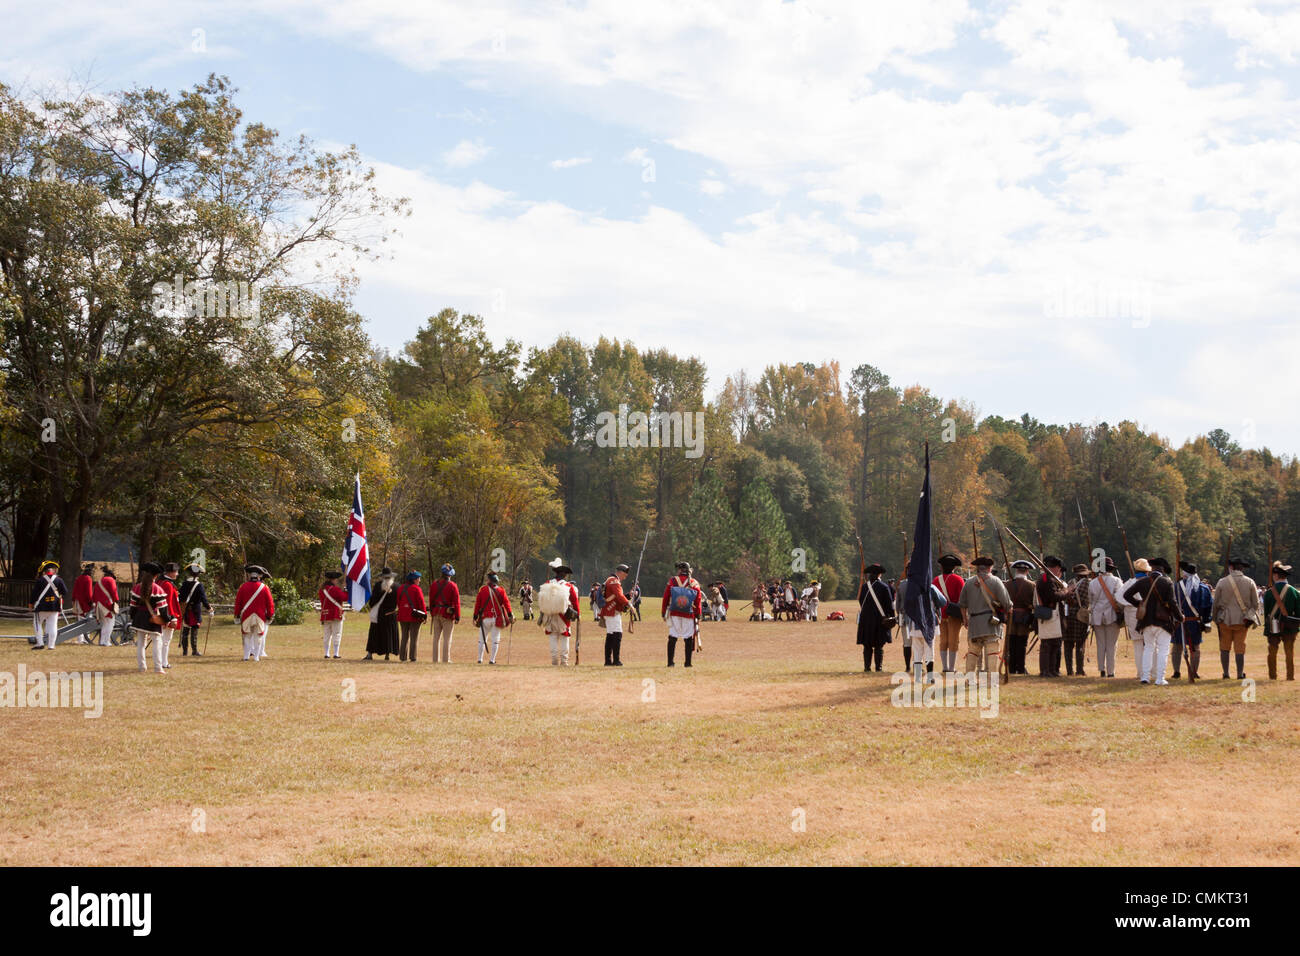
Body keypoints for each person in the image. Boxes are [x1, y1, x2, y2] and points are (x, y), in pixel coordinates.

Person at [1122, 556, 1180, 686]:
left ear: (1152, 568)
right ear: (1161, 569)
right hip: (1163, 621)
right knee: (1163, 650)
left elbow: (1126, 595)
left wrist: (1139, 604)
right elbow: (1172, 602)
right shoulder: (1166, 582)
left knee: (1148, 648)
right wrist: (1180, 616)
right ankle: (1160, 678)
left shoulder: (1143, 581)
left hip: (1146, 620)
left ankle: (1145, 677)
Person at [1210, 558, 1261, 680]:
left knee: (1224, 648)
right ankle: (1239, 674)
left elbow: (1216, 603)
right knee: (1240, 648)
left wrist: (1215, 618)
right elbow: (1256, 604)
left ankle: (1226, 674)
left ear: (1231, 567)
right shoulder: (1250, 582)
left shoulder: (1222, 582)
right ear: (1242, 568)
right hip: (1243, 620)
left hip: (1224, 620)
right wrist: (1250, 616)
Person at [959, 556, 1012, 673]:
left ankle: (970, 679)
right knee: (992, 652)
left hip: (974, 624)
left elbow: (962, 604)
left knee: (973, 653)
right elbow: (1007, 603)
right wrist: (1009, 608)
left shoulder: (968, 583)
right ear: (989, 568)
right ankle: (991, 681)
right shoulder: (996, 581)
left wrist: (965, 619)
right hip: (991, 623)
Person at [896, 562, 943, 682]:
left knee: (917, 651)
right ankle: (930, 677)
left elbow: (900, 605)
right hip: (928, 622)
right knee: (929, 651)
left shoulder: (906, 586)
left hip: (913, 622)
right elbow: (942, 602)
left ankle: (917, 678)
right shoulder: (931, 587)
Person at [1171, 561, 1212, 680]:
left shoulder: (1176, 586)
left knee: (1177, 648)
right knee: (1195, 648)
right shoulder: (1203, 588)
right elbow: (1208, 607)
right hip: (1195, 622)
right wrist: (1205, 621)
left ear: (1184, 574)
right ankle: (1194, 671)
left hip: (1179, 621)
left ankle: (1176, 672)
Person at [537, 558, 581, 666]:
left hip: (549, 615)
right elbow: (575, 602)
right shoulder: (568, 586)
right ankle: (564, 661)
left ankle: (554, 661)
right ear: (565, 575)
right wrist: (578, 614)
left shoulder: (547, 583)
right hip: (564, 616)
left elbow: (542, 601)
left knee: (552, 637)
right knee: (564, 638)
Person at [1087, 557, 1125, 678]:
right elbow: (1120, 599)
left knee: (1101, 644)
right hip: (1112, 615)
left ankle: (1102, 669)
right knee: (1111, 645)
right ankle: (1110, 671)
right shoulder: (1117, 581)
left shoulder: (1092, 582)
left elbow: (1091, 601)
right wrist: (1120, 611)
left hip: (1097, 616)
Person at [129, 561, 169, 673]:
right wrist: (167, 620)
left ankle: (142, 667)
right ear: (156, 576)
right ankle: (158, 668)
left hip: (139, 618)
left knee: (141, 644)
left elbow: (133, 607)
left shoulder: (137, 588)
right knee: (157, 642)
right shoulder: (158, 589)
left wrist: (134, 618)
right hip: (152, 618)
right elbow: (163, 609)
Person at [1263, 561, 1300, 681]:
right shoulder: (1294, 591)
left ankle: (1272, 676)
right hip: (1290, 625)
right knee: (1289, 652)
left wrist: (1267, 628)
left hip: (1274, 624)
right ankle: (1290, 676)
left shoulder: (1269, 592)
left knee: (1272, 651)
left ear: (1276, 575)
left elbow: (1267, 613)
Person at [662, 561, 703, 667]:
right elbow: (698, 600)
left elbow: (666, 597)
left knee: (672, 637)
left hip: (674, 612)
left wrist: (663, 612)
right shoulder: (694, 582)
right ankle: (688, 663)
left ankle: (670, 662)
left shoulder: (672, 580)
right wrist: (698, 614)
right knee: (688, 638)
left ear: (680, 570)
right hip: (688, 614)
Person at [1034, 557, 1070, 677]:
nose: (1059, 570)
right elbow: (1053, 596)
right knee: (1047, 644)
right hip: (1048, 612)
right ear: (1054, 568)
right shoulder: (1045, 579)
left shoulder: (1050, 579)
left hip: (1054, 614)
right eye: (1057, 568)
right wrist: (1067, 592)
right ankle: (1045, 671)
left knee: (1055, 643)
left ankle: (1052, 669)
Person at [856, 563, 893, 672]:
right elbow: (889, 605)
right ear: (879, 574)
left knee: (867, 645)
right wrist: (891, 617)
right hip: (879, 620)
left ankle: (867, 667)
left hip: (866, 619)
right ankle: (878, 667)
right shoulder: (884, 587)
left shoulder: (864, 587)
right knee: (879, 645)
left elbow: (861, 601)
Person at [932, 554, 966, 674]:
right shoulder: (958, 579)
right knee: (953, 641)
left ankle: (945, 667)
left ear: (941, 567)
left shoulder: (936, 580)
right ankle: (951, 668)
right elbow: (962, 599)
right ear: (954, 567)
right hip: (954, 615)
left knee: (943, 641)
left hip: (940, 614)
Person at [235, 565, 275, 662]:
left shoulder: (243, 587)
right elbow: (270, 603)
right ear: (258, 576)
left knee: (247, 636)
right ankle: (256, 657)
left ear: (250, 575)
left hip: (246, 615)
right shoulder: (265, 587)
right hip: (260, 616)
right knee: (258, 636)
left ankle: (246, 656)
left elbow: (238, 603)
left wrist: (236, 615)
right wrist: (270, 615)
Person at [473, 571, 513, 664]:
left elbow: (477, 604)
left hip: (485, 618)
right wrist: (510, 614)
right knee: (495, 640)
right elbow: (507, 604)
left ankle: (480, 659)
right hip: (496, 618)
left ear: (489, 580)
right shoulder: (501, 590)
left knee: (481, 640)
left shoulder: (482, 590)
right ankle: (492, 660)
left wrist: (475, 616)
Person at [1005, 559, 1036, 675]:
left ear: (1016, 570)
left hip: (1011, 617)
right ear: (1027, 571)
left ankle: (1012, 668)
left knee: (1012, 643)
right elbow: (1034, 604)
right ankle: (1021, 668)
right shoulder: (1032, 585)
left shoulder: (1007, 584)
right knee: (1022, 643)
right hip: (1024, 617)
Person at [28, 559, 67, 651]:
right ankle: (51, 646)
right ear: (53, 570)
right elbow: (65, 592)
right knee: (53, 626)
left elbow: (34, 594)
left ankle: (40, 644)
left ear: (44, 571)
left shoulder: (40, 580)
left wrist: (30, 604)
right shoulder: (59, 580)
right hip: (54, 607)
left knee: (37, 624)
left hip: (41, 607)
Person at [1120, 559, 1150, 674]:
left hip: (1131, 614)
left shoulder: (1128, 583)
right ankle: (1151, 671)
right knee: (1150, 644)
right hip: (1145, 612)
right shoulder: (1148, 581)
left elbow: (1120, 598)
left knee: (1138, 645)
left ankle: (1141, 672)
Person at [599, 564, 632, 666]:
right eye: (625, 574)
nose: (625, 576)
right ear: (621, 572)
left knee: (611, 635)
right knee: (617, 634)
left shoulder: (611, 580)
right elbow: (618, 595)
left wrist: (627, 596)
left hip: (609, 610)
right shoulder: (614, 581)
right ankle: (616, 660)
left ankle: (608, 661)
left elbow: (616, 596)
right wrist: (629, 604)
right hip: (612, 611)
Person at [364, 567, 399, 661]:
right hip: (391, 614)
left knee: (374, 634)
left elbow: (372, 602)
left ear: (383, 577)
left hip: (379, 614)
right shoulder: (397, 586)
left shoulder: (378, 586)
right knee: (388, 635)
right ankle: (387, 654)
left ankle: (370, 654)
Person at [428, 564, 461, 663]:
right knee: (447, 638)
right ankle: (446, 659)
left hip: (436, 612)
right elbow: (457, 603)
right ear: (450, 575)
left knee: (436, 638)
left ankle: (435, 659)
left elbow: (431, 600)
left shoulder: (434, 584)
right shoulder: (453, 586)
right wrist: (457, 616)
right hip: (447, 614)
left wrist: (432, 612)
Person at [177, 562, 212, 657]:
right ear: (197, 574)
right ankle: (194, 651)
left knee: (185, 631)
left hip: (185, 610)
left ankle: (185, 652)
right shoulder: (199, 585)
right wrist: (209, 608)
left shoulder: (184, 584)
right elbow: (203, 599)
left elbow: (180, 597)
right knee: (194, 630)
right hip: (195, 611)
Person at [1063, 563, 1092, 676]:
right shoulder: (1088, 583)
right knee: (1080, 644)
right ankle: (1080, 669)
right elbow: (1087, 601)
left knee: (1068, 645)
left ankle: (1069, 670)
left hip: (1068, 615)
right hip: (1081, 616)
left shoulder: (1070, 582)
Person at [396, 570, 428, 662]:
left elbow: (398, 602)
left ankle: (402, 657)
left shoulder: (401, 588)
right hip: (414, 616)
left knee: (404, 637)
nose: (419, 580)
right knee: (414, 637)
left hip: (402, 615)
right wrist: (424, 615)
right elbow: (421, 603)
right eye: (418, 578)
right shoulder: (417, 589)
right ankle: (413, 657)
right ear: (414, 580)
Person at [319, 569, 348, 659]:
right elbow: (344, 597)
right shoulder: (335, 589)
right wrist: (345, 590)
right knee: (337, 633)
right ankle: (336, 653)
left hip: (325, 614)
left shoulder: (322, 590)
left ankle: (327, 653)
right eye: (336, 579)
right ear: (333, 580)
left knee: (327, 634)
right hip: (335, 614)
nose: (337, 581)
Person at [94, 566, 120, 646]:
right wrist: (116, 600)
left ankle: (102, 641)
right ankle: (106, 641)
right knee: (110, 623)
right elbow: (114, 592)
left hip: (99, 605)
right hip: (107, 605)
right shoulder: (111, 580)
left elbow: (94, 595)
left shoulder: (99, 581)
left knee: (105, 624)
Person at [72, 563, 95, 642]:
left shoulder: (79, 578)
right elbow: (89, 593)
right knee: (87, 621)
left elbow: (74, 591)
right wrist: (91, 602)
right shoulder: (88, 579)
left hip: (78, 602)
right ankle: (86, 639)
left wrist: (73, 600)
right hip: (85, 603)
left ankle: (80, 639)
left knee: (79, 621)